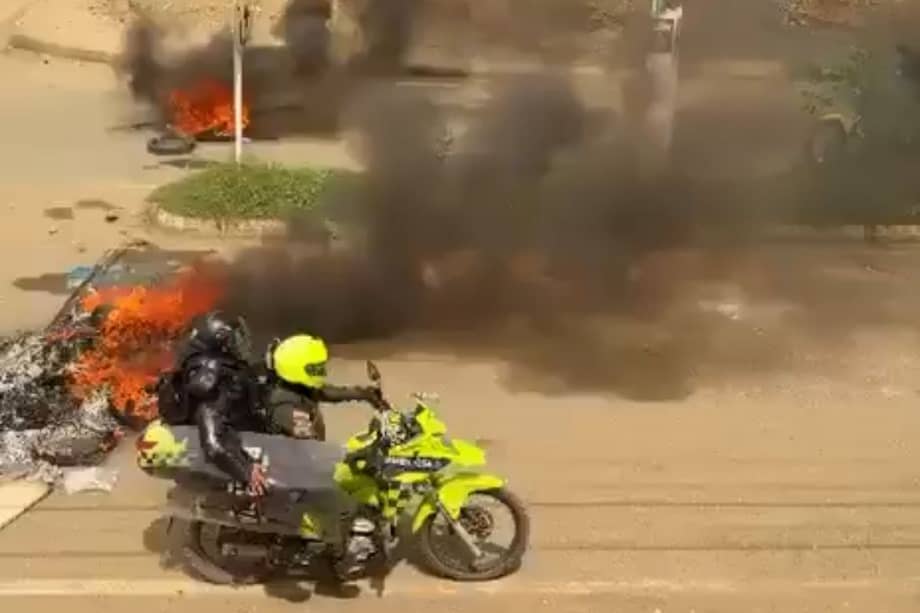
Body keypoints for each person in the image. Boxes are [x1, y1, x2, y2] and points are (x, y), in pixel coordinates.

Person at [158, 310, 270, 496]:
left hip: (226, 442)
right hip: (222, 453)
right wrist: (247, 471)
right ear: (221, 341)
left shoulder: (205, 365)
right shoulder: (213, 378)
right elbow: (213, 444)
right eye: (235, 338)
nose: (241, 342)